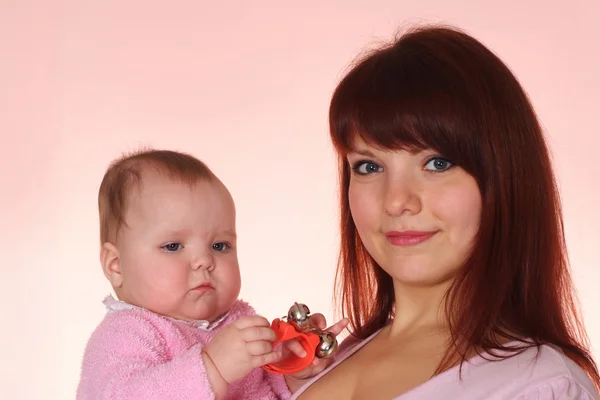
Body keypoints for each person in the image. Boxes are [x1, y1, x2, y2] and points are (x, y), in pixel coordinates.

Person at [289, 25, 600, 399]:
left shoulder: (544, 387)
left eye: (437, 163)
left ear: (504, 178)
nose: (396, 201)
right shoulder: (319, 365)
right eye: (369, 167)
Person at [76, 149, 345, 400]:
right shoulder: (126, 333)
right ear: (116, 267)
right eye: (173, 246)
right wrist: (212, 368)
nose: (204, 260)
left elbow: (265, 391)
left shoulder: (239, 321)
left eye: (219, 246)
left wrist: (293, 371)